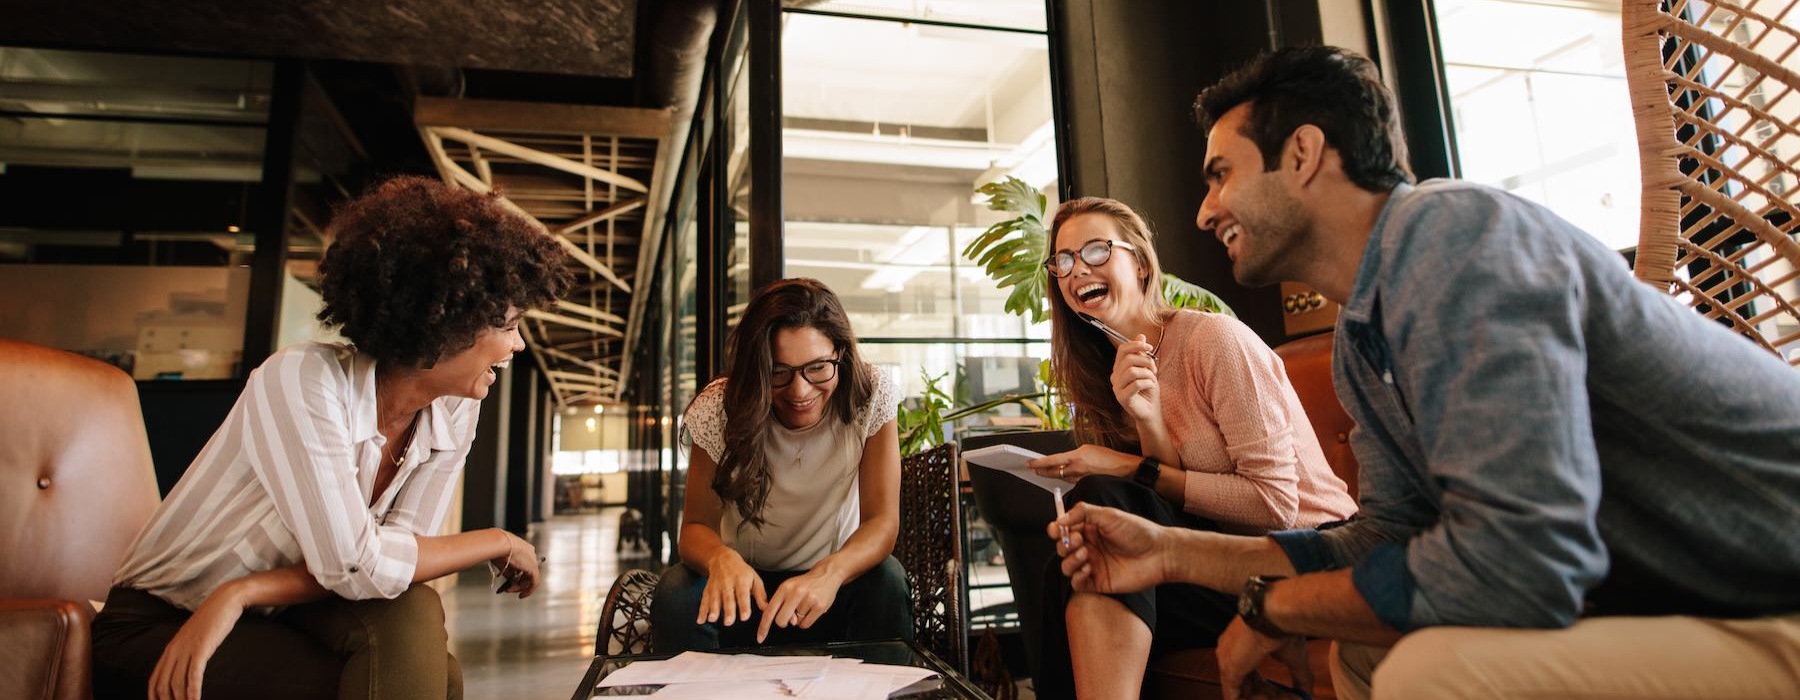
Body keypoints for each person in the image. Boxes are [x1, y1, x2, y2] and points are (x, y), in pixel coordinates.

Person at [1050, 45, 1800, 700]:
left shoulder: (1454, 239)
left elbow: (1520, 561)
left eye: (1221, 175)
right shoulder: (1364, 333)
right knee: (1373, 652)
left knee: (1426, 673)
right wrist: (1172, 550)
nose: (1206, 212)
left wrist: (1271, 609)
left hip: (1772, 594)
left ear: (1304, 154)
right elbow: (1385, 537)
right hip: (1680, 597)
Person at [92, 176, 572, 700]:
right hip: (163, 621)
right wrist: (498, 541)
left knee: (412, 611)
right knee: (429, 678)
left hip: (273, 607)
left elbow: (392, 569)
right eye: (507, 326)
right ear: (446, 326)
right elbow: (356, 563)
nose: (518, 345)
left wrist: (240, 592)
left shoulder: (454, 410)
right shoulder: (303, 380)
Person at [1021, 196, 1355, 699]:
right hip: (1210, 561)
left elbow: (1275, 506)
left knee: (1105, 503)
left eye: (1095, 251)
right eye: (1063, 261)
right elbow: (1165, 505)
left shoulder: (1212, 340)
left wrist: (1128, 467)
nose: (1075, 270)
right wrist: (1148, 418)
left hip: (1305, 560)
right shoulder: (1106, 374)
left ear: (1138, 261)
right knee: (1081, 554)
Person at [651, 277, 912, 651]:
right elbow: (694, 527)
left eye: (818, 367)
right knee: (676, 591)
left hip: (829, 590)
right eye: (778, 371)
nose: (800, 391)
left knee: (887, 580)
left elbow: (881, 522)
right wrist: (720, 558)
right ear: (756, 367)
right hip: (745, 597)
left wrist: (830, 573)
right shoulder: (719, 407)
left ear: (841, 353)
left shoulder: (870, 394)